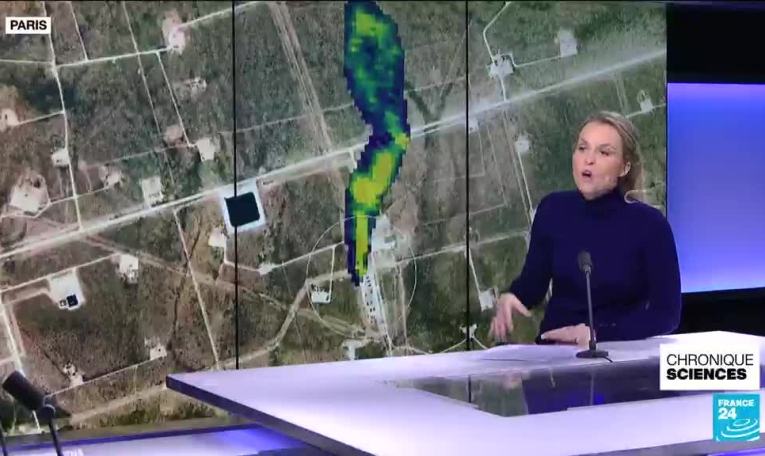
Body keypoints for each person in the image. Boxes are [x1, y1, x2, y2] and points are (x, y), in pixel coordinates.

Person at [489, 111, 681, 346]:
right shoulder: (552, 210)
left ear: (624, 167)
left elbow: (666, 315)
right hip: (554, 355)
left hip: (617, 356)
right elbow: (532, 286)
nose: (588, 159)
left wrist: (597, 334)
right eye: (582, 148)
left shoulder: (651, 226)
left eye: (604, 152)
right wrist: (512, 297)